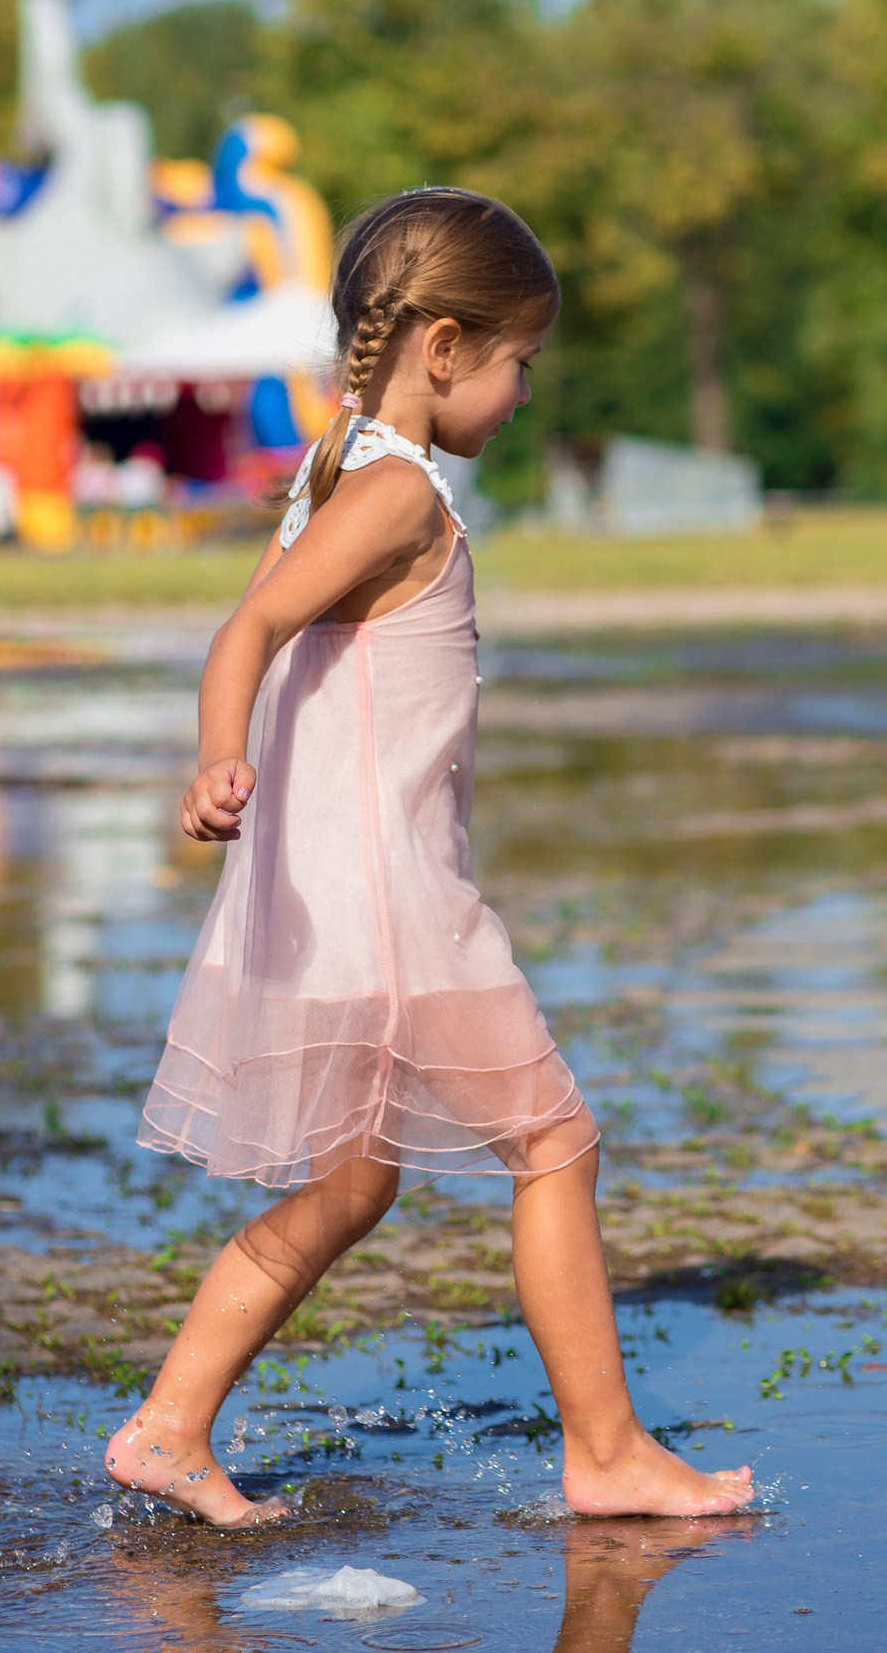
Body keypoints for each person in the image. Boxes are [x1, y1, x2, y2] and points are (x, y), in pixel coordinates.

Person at [103, 188, 756, 1528]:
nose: (525, 393)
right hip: (395, 913)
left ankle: (170, 1426)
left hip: (346, 912)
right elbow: (248, 629)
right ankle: (610, 1452)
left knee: (352, 1181)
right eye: (521, 362)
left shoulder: (347, 463)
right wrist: (220, 758)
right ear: (445, 348)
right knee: (555, 1141)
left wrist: (234, 764)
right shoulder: (395, 490)